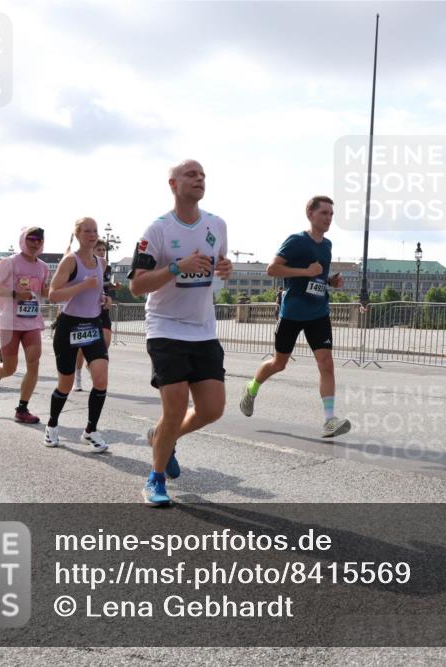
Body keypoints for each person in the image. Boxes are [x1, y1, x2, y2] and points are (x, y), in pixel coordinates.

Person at [128, 159, 233, 505]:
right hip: (165, 327)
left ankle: (162, 436)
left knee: (212, 409)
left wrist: (226, 269)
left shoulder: (217, 224)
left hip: (203, 329)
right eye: (191, 174)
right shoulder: (157, 231)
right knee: (175, 406)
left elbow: (218, 270)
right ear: (173, 184)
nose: (199, 179)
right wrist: (176, 267)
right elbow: (136, 286)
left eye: (203, 174)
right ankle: (155, 479)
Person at [239, 196, 351, 438]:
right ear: (310, 214)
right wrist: (305, 271)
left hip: (318, 312)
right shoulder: (296, 241)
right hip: (292, 312)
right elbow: (272, 269)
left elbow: (318, 277)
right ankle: (252, 388)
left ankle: (330, 420)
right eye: (324, 213)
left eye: (332, 214)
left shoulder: (327, 245)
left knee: (326, 363)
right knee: (279, 364)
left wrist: (331, 281)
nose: (329, 218)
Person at [44, 218, 112, 451]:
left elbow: (98, 291)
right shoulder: (70, 261)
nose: (92, 235)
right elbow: (53, 295)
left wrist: (104, 298)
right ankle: (52, 425)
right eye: (86, 231)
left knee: (101, 378)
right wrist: (83, 286)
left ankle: (90, 430)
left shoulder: (101, 262)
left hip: (92, 325)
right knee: (66, 383)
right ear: (77, 234)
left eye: (95, 230)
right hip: (69, 326)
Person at [0, 227, 50, 423]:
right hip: (9, 321)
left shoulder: (43, 267)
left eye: (39, 239)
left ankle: (22, 409)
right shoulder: (9, 263)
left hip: (31, 321)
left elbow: (44, 291)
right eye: (31, 238)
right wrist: (15, 294)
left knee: (34, 363)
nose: (36, 242)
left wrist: (66, 288)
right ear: (23, 240)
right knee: (10, 368)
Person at [74, 238, 116, 391]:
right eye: (99, 250)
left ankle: (91, 363)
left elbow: (106, 287)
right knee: (83, 345)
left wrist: (110, 296)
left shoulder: (107, 267)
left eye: (104, 250)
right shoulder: (82, 266)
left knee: (106, 340)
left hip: (102, 307)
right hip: (86, 309)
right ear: (91, 250)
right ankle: (77, 377)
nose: (102, 253)